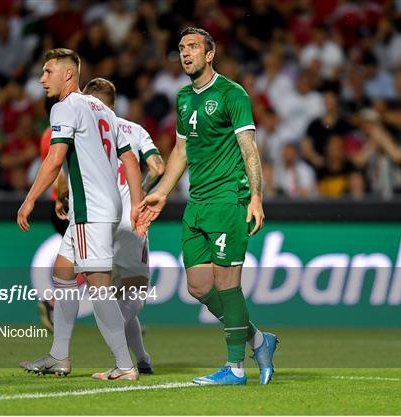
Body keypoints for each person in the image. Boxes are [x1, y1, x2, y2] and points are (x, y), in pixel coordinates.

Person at [136, 27, 279, 385]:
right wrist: (164, 192)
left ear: (210, 54)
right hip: (196, 202)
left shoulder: (233, 94)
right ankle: (259, 340)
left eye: (193, 47)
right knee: (198, 286)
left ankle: (234, 368)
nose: (186, 53)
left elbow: (249, 149)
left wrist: (257, 196)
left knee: (227, 283)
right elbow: (181, 152)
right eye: (182, 47)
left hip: (228, 199)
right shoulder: (184, 98)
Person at [17, 48, 143, 381]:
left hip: (92, 210)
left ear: (68, 74)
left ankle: (125, 365)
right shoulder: (103, 108)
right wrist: (134, 203)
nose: (42, 79)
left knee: (99, 286)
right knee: (62, 272)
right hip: (100, 207)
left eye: (47, 71)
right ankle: (59, 355)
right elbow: (129, 159)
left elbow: (55, 158)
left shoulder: (65, 106)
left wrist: (30, 199)